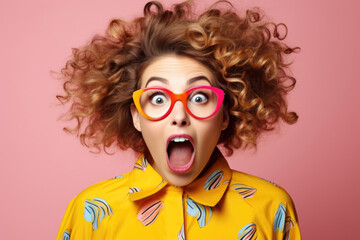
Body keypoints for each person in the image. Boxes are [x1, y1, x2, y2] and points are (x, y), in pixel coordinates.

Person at [56, 1, 301, 239]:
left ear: (224, 115)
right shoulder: (90, 213)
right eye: (159, 99)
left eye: (199, 97)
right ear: (136, 117)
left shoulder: (271, 208)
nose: (179, 116)